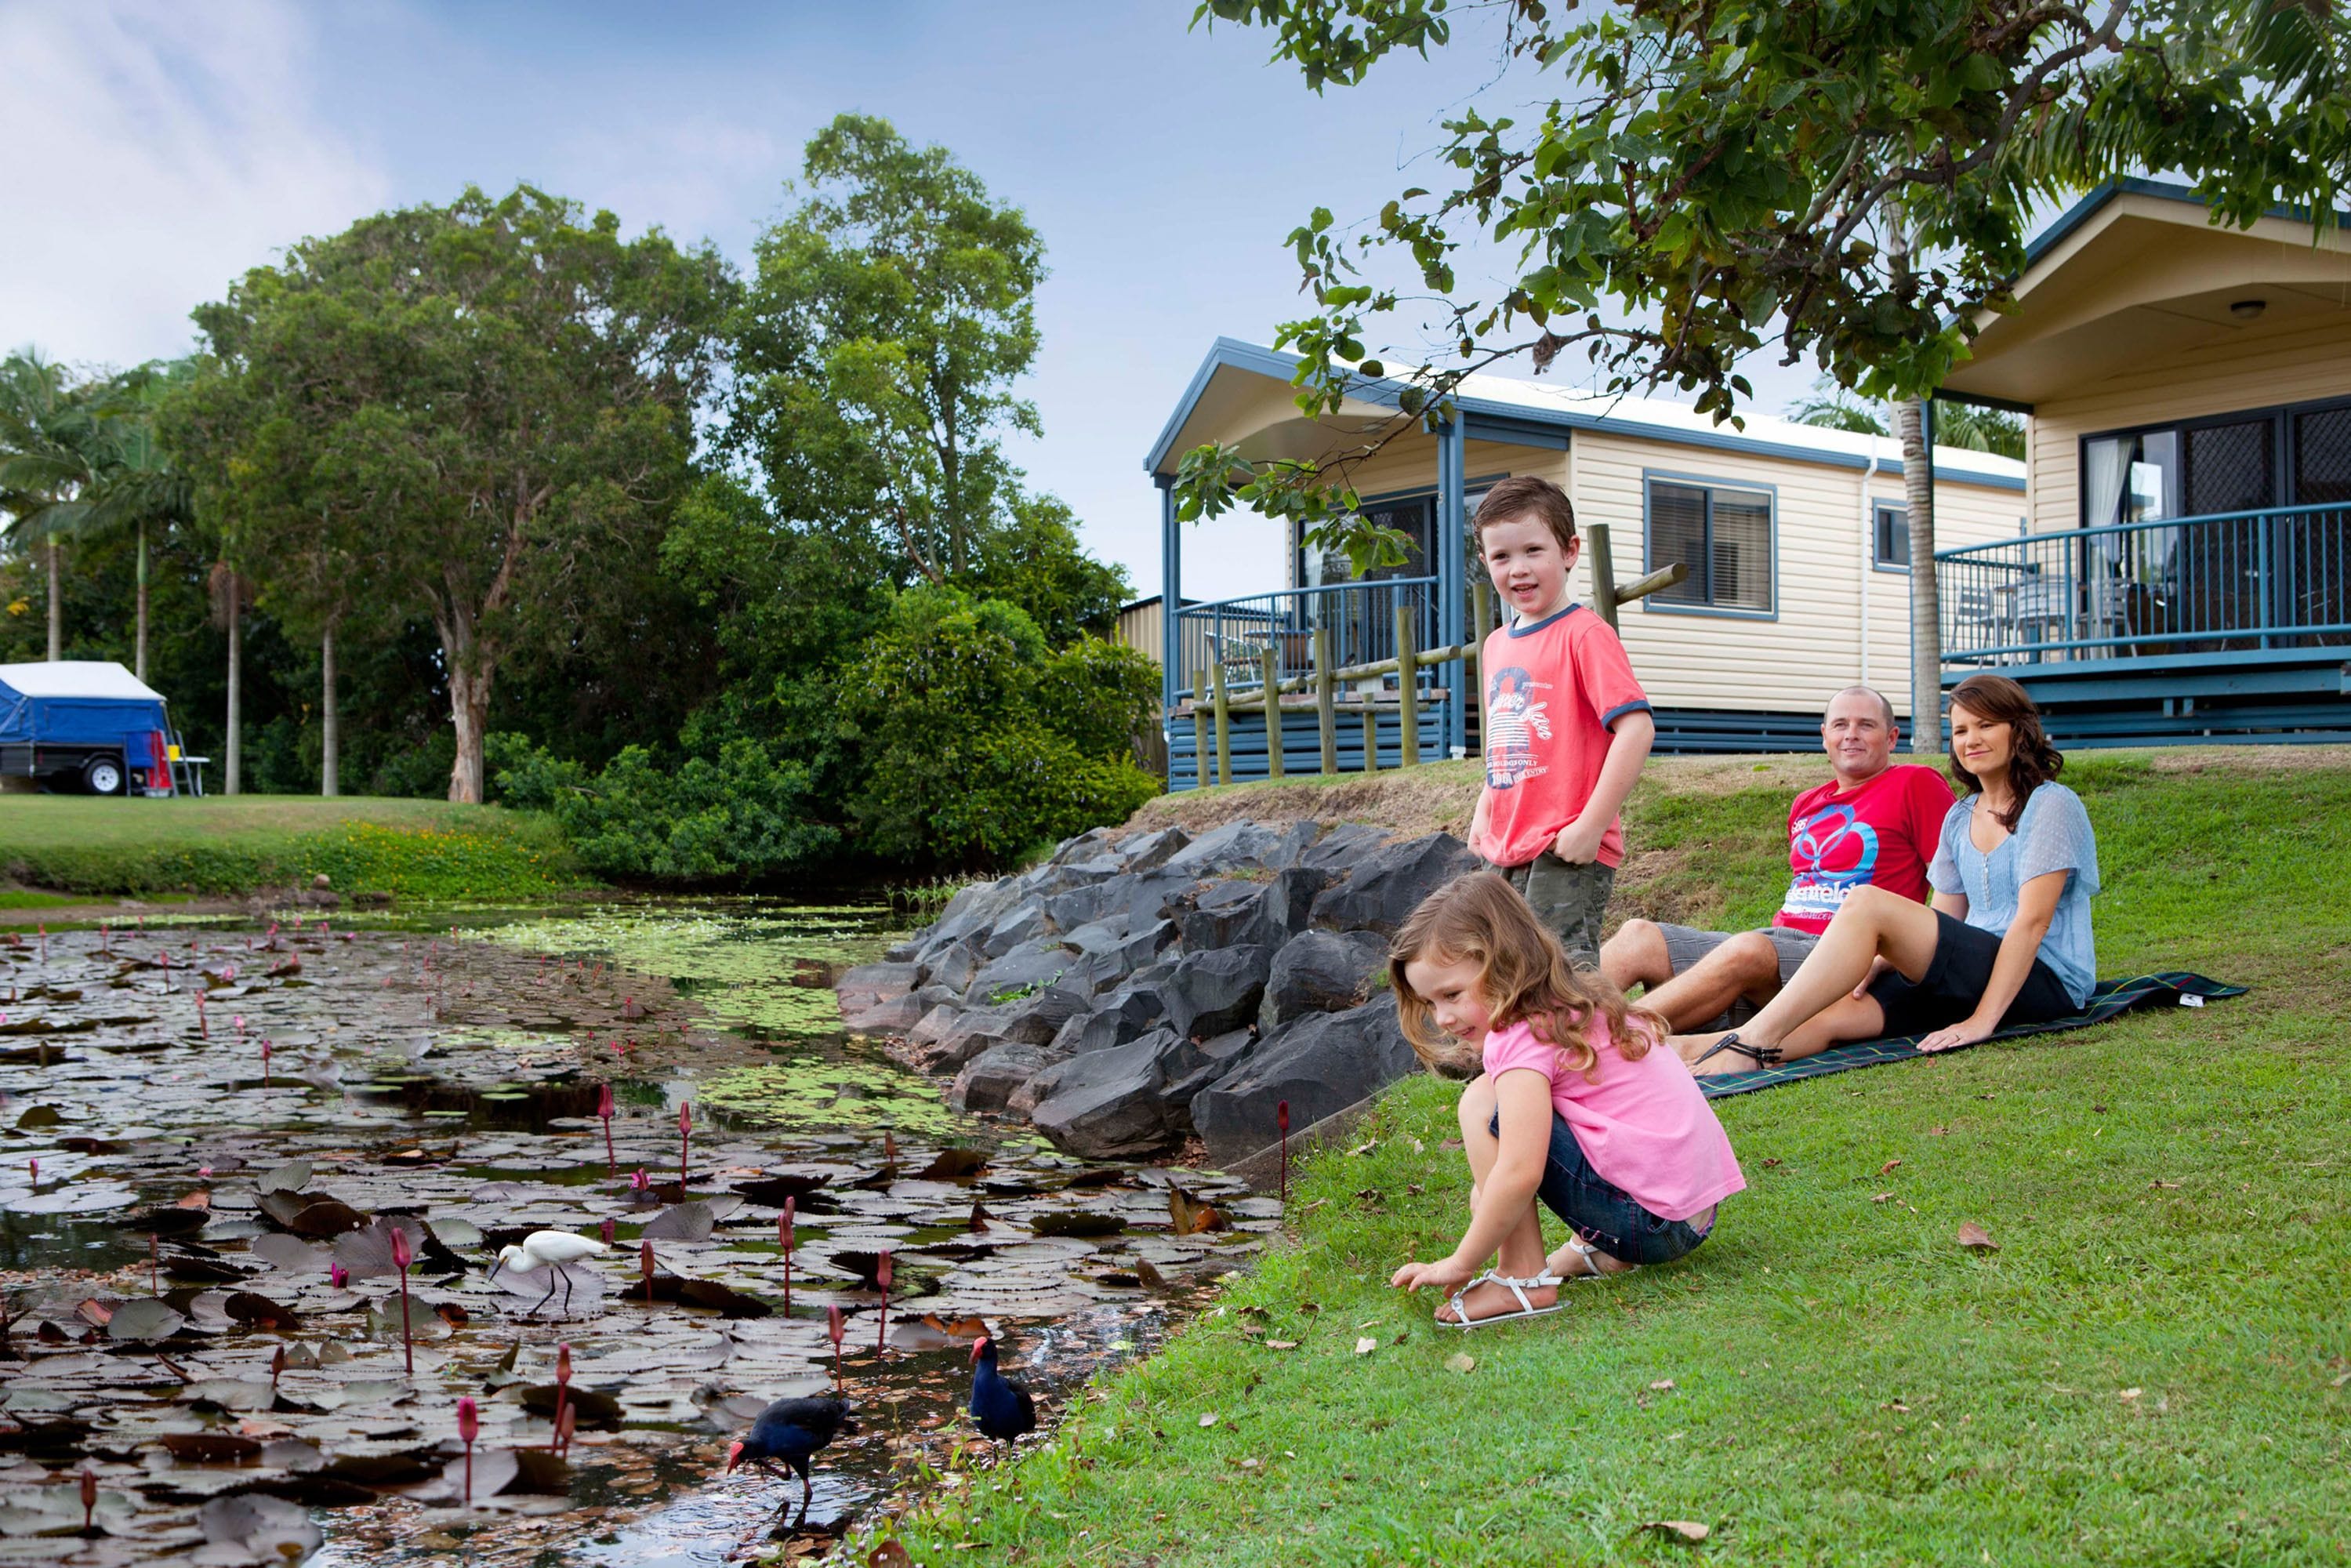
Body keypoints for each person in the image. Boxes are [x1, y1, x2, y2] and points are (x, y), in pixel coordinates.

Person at [1675, 673, 2100, 1075]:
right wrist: (1890, 957)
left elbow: (2032, 923)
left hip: (2046, 980)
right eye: (1961, 731)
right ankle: (1683, 1051)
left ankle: (1752, 1041)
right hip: (1977, 968)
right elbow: (1946, 918)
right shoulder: (1960, 816)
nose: (1971, 740)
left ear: (2018, 731)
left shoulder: (2050, 804)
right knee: (1834, 1018)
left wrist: (1981, 1021)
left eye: (1986, 726)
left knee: (1867, 901)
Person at [1386, 872, 1745, 1328]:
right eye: (1430, 1003)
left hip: (1651, 1222)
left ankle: (1520, 1279)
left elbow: (1519, 1173)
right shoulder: (1572, 1002)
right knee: (1493, 1175)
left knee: (1481, 1104)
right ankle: (1594, 1252)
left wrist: (1461, 1261)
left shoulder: (1518, 1036)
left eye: (1452, 994)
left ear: (1501, 962)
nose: (1444, 1018)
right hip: (1691, 1216)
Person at [1601, 686, 1954, 1033]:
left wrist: (1897, 955)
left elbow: (1953, 882)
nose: (1851, 735)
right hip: (1782, 947)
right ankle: (1552, 1024)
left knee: (1749, 949)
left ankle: (1598, 1037)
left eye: (1866, 725)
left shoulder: (1915, 783)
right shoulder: (1806, 803)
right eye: (1840, 725)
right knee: (1639, 936)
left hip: (1848, 959)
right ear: (1824, 736)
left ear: (1892, 738)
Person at [1466, 476, 1656, 969]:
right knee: (1500, 972)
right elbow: (1504, 740)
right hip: (1504, 844)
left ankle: (1597, 1049)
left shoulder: (1586, 635)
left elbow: (1636, 730)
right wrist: (1485, 810)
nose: (1520, 569)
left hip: (1564, 846)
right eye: (1503, 557)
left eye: (1534, 550)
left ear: (1570, 551)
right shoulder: (1495, 645)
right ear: (1485, 562)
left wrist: (1590, 826)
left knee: (1562, 978)